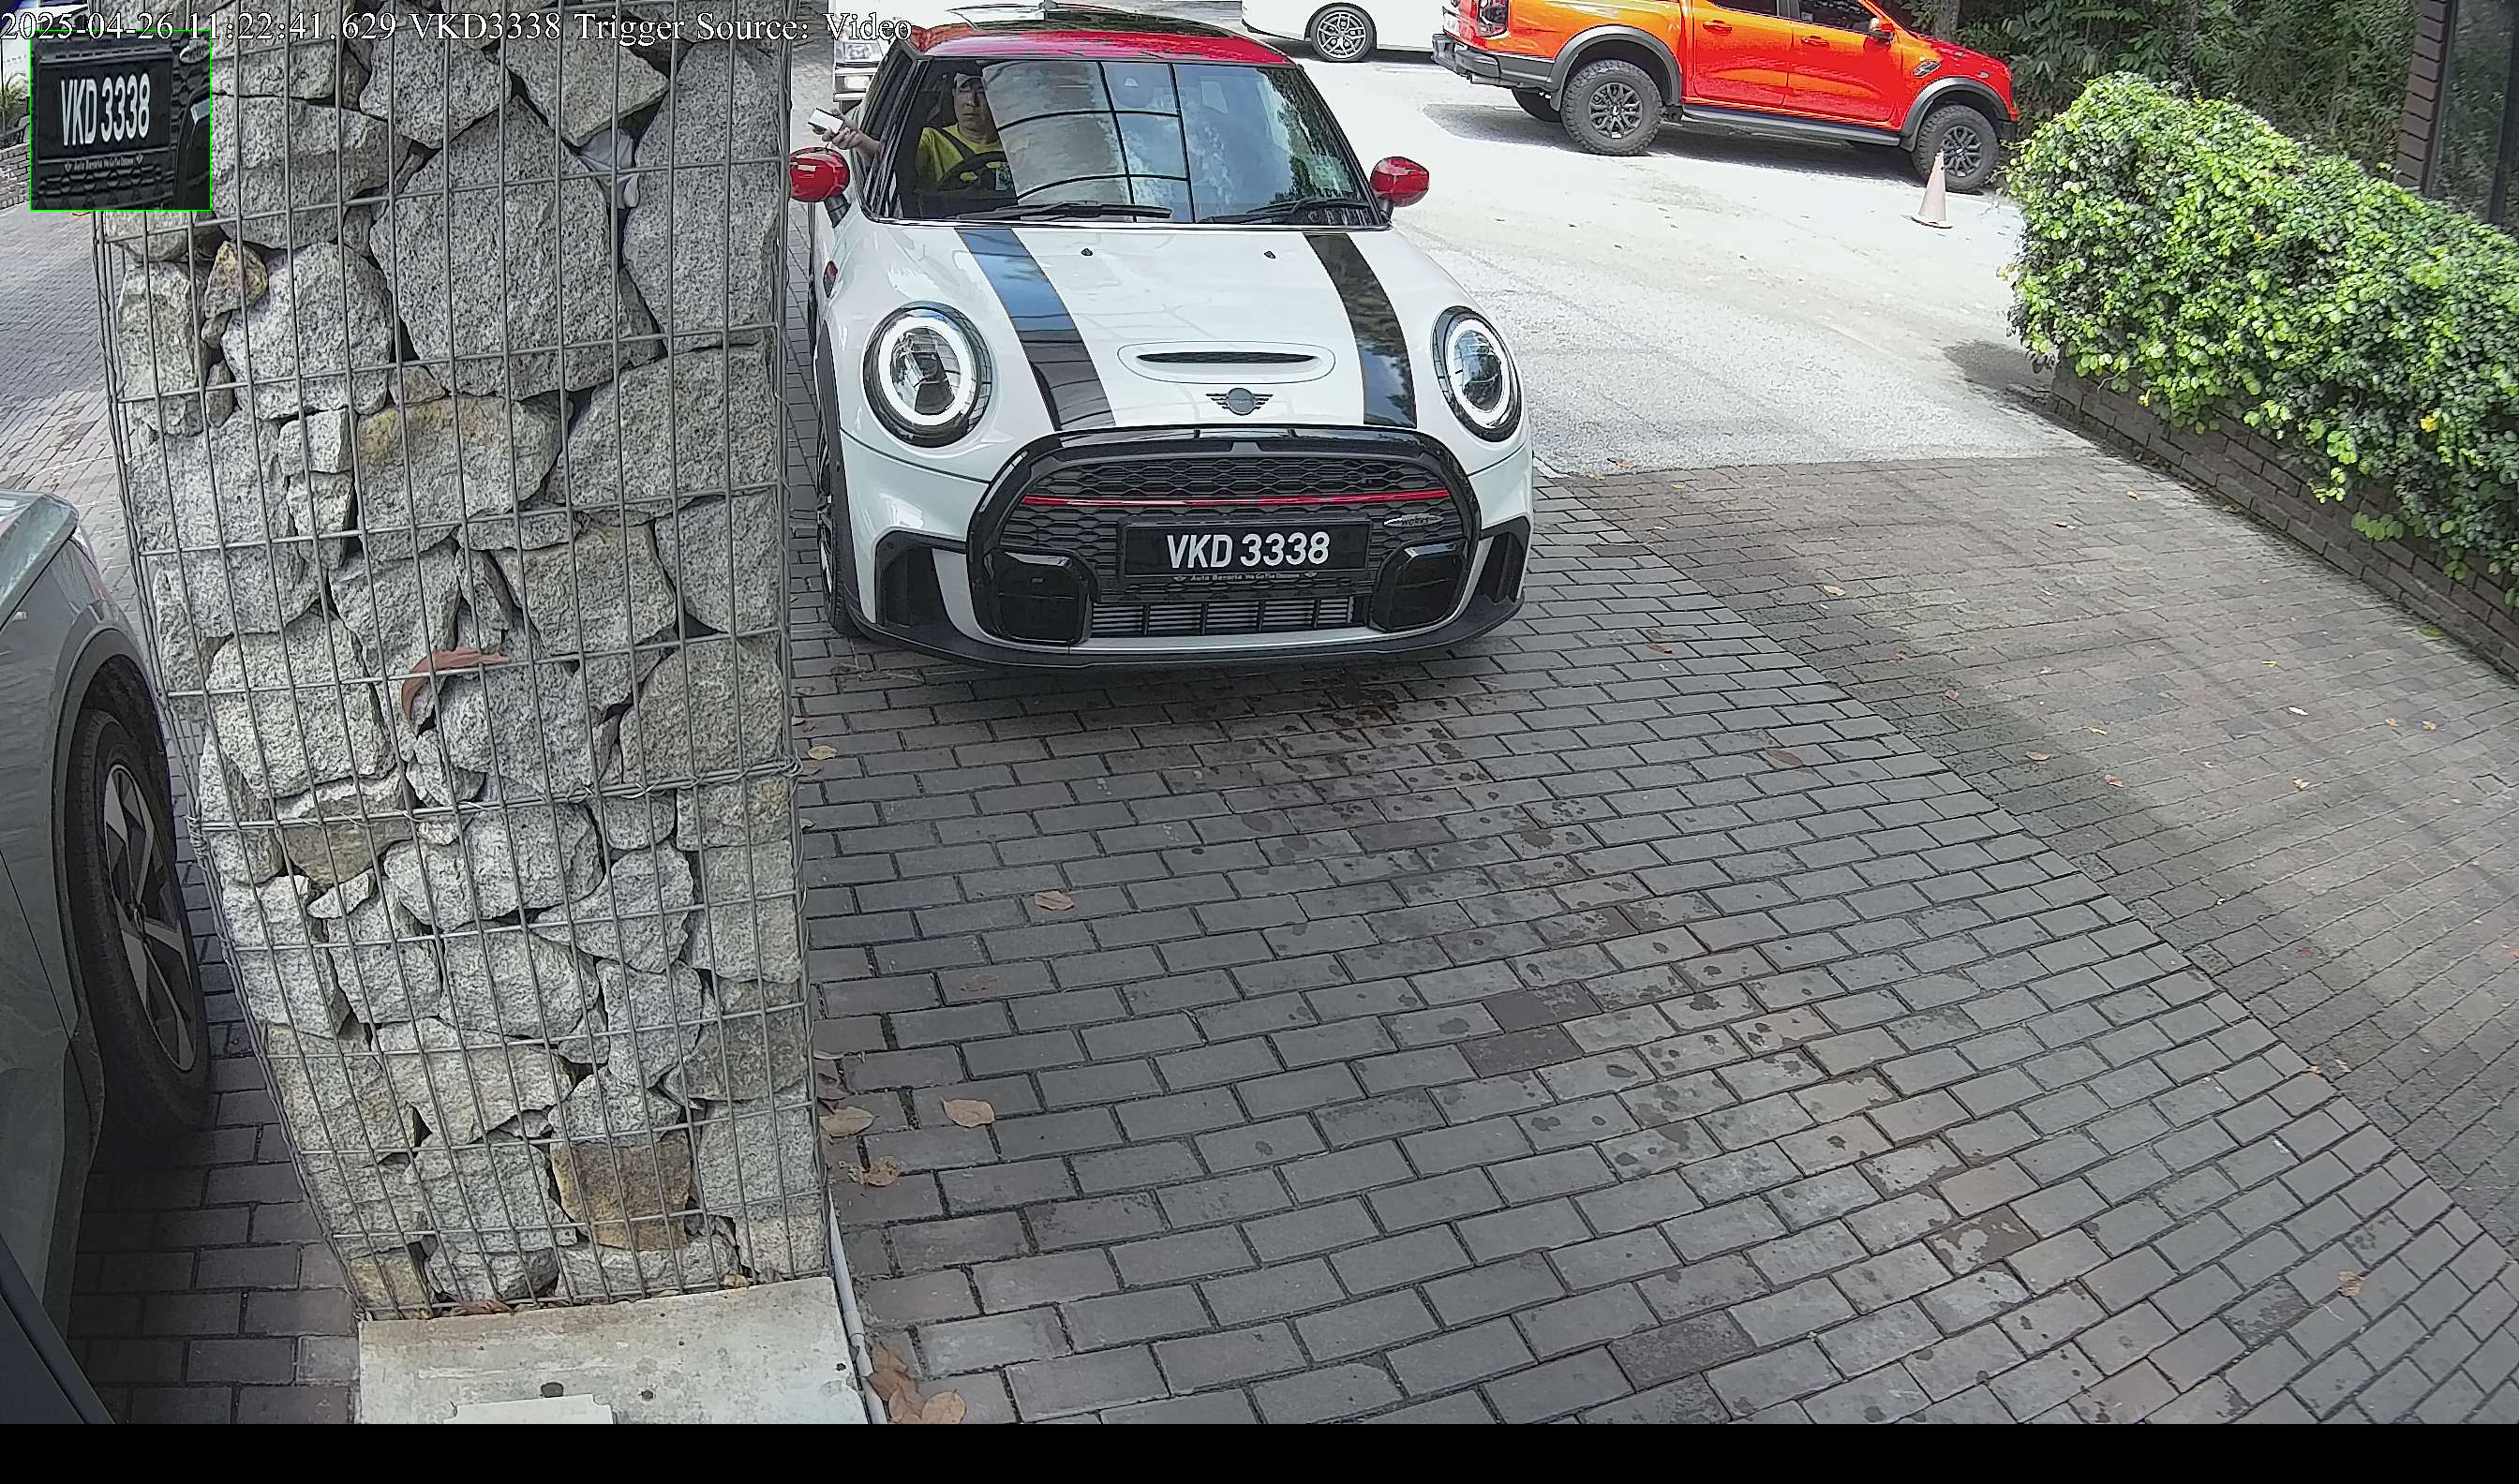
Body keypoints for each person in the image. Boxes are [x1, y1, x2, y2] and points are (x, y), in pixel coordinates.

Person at [826, 67, 1008, 194]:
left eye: (981, 92)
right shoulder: (932, 139)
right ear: (953, 94)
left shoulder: (1016, 142)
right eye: (964, 90)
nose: (971, 101)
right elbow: (893, 161)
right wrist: (859, 139)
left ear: (997, 98)